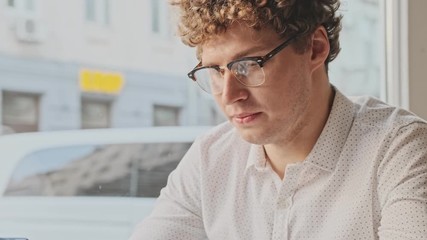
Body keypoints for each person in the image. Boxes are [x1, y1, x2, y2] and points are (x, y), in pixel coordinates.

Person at [130, 0, 427, 239]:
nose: (229, 94)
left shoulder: (400, 150)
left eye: (247, 65)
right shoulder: (210, 159)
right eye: (215, 71)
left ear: (315, 48)